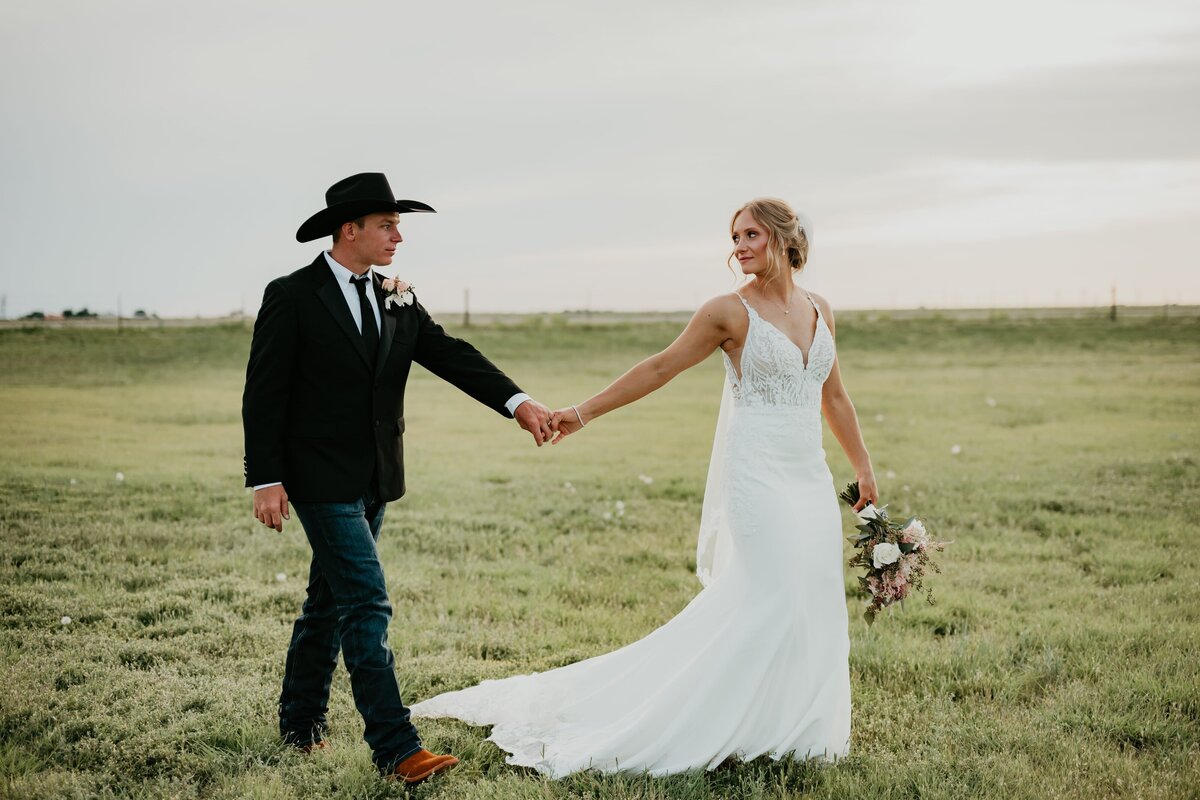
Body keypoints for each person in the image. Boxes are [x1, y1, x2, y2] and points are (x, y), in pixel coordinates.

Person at [410, 198, 879, 777]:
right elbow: (659, 368)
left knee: (813, 600)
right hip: (757, 472)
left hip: (808, 474)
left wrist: (862, 465)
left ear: (785, 237)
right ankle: (705, 721)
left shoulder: (820, 308)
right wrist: (581, 413)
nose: (738, 246)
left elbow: (833, 395)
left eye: (750, 234)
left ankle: (791, 727)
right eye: (734, 236)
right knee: (773, 595)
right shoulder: (727, 312)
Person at [241, 172, 553, 784]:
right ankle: (396, 748)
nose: (398, 236)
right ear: (349, 229)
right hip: (316, 477)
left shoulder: (396, 293)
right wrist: (266, 478)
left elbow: (447, 352)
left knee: (327, 603)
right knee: (365, 601)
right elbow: (264, 390)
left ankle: (299, 727)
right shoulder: (293, 294)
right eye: (387, 225)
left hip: (376, 476)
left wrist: (519, 403)